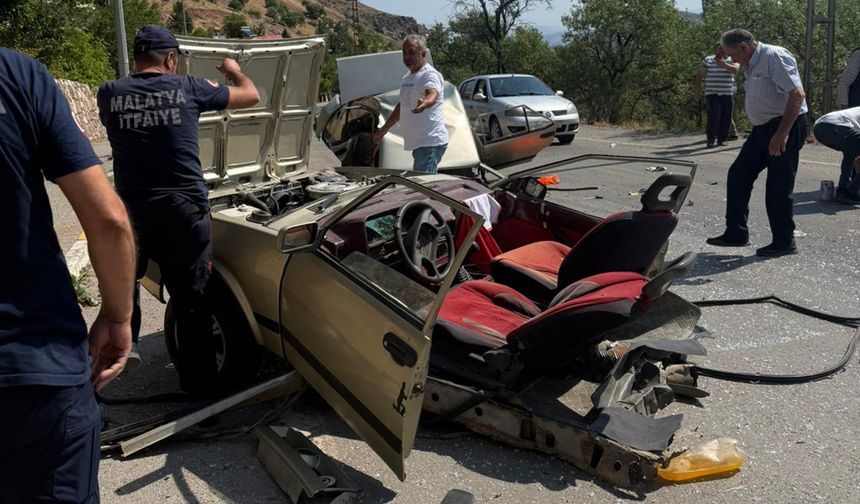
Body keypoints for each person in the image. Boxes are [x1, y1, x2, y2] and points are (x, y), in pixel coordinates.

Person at [0, 48, 135, 502]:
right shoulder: (15, 74)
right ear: (172, 61)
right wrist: (118, 317)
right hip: (35, 369)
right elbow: (108, 219)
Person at [97, 25, 259, 393]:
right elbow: (251, 96)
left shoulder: (109, 93)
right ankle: (199, 392)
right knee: (192, 301)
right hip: (184, 209)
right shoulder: (188, 87)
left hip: (133, 211)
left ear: (137, 56)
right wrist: (233, 70)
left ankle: (126, 348)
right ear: (171, 59)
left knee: (124, 282)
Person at [706, 29, 807, 257]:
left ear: (744, 47)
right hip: (761, 129)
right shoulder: (750, 60)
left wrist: (782, 133)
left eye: (733, 54)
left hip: (784, 126)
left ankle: (784, 242)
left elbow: (797, 94)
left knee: (778, 186)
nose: (733, 60)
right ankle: (736, 233)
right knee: (738, 175)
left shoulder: (774, 56)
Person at [372, 34, 449, 174]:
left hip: (429, 142)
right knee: (423, 185)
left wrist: (425, 103)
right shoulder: (409, 77)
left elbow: (433, 93)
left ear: (423, 53)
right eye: (404, 53)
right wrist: (384, 129)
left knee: (423, 187)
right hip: (419, 143)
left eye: (411, 53)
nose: (407, 57)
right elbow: (402, 106)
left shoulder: (429, 75)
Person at [694, 42, 739, 148]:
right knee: (714, 116)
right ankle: (710, 140)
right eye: (719, 49)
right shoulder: (708, 60)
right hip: (712, 93)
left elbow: (735, 70)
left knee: (726, 117)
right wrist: (697, 92)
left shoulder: (732, 59)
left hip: (727, 93)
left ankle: (721, 140)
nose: (722, 50)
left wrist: (723, 64)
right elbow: (699, 76)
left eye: (724, 48)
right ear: (715, 50)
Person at [813, 107, 860, 204]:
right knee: (852, 150)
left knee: (850, 153)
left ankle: (843, 190)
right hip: (835, 126)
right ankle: (850, 192)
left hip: (819, 128)